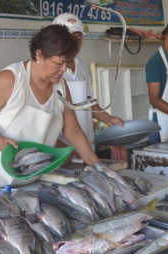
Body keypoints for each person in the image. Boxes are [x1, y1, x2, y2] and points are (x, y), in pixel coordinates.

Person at [0, 24, 100, 193]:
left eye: (67, 62)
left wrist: (98, 166)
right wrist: (0, 143)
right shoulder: (11, 79)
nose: (64, 69)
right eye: (58, 63)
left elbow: (72, 130)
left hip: (29, 179)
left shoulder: (61, 86)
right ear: (39, 55)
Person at [52, 13, 124, 158]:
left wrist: (107, 118)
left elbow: (88, 103)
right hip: (63, 149)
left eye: (78, 38)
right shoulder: (51, 70)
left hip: (86, 144)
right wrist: (64, 150)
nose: (74, 43)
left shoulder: (82, 66)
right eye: (70, 38)